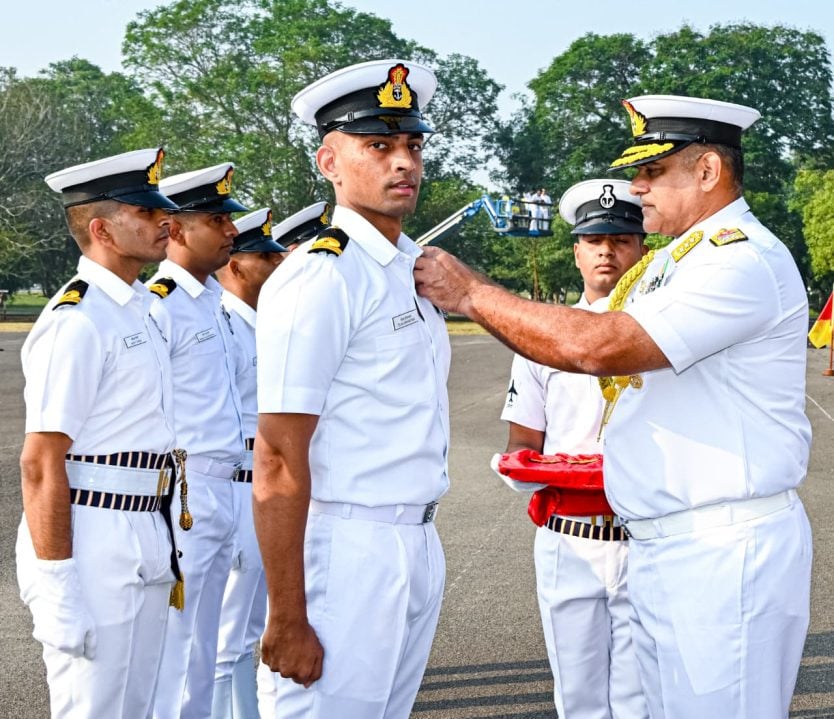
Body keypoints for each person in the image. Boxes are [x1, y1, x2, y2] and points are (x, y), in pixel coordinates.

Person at [414, 95, 813, 718]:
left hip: (721, 546)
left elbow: (599, 346)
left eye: (653, 172)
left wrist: (471, 293)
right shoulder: (674, 265)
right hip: (667, 543)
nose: (637, 186)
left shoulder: (737, 258)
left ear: (708, 172)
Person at [254, 59, 450, 719]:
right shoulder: (322, 277)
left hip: (415, 541)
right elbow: (277, 455)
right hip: (345, 548)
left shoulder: (409, 268)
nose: (404, 163)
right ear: (330, 161)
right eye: (380, 146)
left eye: (413, 146)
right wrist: (286, 615)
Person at [16, 147, 182, 718]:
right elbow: (40, 463)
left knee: (138, 707)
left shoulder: (137, 308)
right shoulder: (78, 320)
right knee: (94, 708)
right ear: (101, 229)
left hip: (145, 521)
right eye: (144, 210)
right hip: (93, 532)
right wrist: (58, 588)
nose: (165, 221)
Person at [497, 179, 648, 718]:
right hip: (570, 536)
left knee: (641, 702)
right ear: (576, 252)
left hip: (646, 535)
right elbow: (522, 443)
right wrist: (526, 469)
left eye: (621, 238)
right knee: (579, 700)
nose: (607, 249)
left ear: (642, 249)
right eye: (594, 239)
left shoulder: (665, 332)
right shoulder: (541, 340)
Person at [211, 202, 326, 719]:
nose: (281, 265)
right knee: (226, 638)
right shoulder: (220, 322)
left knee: (251, 629)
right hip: (233, 486)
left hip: (252, 486)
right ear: (236, 264)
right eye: (268, 258)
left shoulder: (255, 323)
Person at [149, 163, 249, 719]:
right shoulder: (162, 302)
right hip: (183, 493)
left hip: (221, 487)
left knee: (206, 647)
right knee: (177, 650)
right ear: (178, 230)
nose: (231, 231)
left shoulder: (212, 300)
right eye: (217, 219)